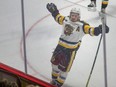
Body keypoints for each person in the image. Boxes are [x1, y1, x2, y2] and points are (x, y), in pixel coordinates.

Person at [46, 3, 109, 87]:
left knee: (64, 70)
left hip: (69, 51)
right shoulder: (65, 19)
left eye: (75, 15)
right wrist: (54, 11)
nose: (73, 17)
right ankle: (54, 80)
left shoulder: (83, 26)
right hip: (59, 47)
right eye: (72, 15)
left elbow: (91, 31)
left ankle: (58, 84)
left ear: (79, 16)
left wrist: (99, 29)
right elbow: (58, 17)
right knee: (54, 64)